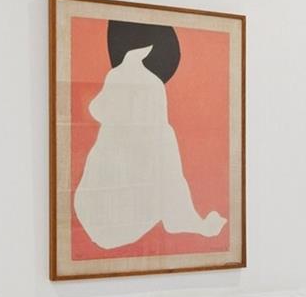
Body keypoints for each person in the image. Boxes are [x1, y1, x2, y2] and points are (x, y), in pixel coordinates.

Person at [73, 21, 226, 248]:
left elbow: (97, 108)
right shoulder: (151, 86)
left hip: (94, 212)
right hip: (129, 211)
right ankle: (181, 219)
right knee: (163, 144)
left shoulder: (117, 76)